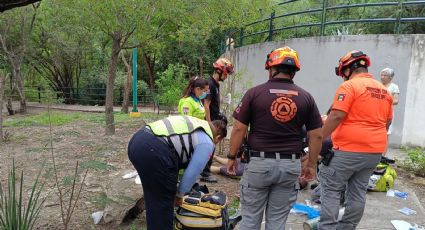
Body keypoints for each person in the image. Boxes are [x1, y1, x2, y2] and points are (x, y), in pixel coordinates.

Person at [226, 46, 323, 230]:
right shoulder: (306, 97)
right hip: (289, 166)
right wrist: (311, 165)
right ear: (293, 72)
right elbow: (317, 135)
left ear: (271, 68)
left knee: (250, 220)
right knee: (277, 222)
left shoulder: (254, 93)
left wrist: (232, 157)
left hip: (259, 165)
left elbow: (239, 128)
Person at [319, 51, 393, 230]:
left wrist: (319, 137)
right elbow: (388, 121)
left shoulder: (349, 86)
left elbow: (336, 115)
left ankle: (327, 227)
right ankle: (347, 227)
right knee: (358, 191)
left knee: (331, 189)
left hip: (347, 150)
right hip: (374, 151)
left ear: (347, 69)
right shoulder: (384, 90)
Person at [127, 115, 227, 229]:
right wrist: (179, 195)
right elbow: (192, 172)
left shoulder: (197, 123)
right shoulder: (207, 142)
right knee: (164, 202)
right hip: (154, 149)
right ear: (218, 137)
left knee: (154, 196)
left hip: (137, 142)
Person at [201, 57, 235, 182]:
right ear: (220, 71)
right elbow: (206, 104)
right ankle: (205, 173)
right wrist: (209, 124)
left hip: (215, 119)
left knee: (211, 147)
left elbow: (213, 104)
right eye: (226, 73)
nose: (226, 76)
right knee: (209, 147)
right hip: (211, 123)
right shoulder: (210, 84)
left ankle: (206, 170)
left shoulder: (215, 84)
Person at [380, 68, 400, 153]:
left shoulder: (394, 87)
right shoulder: (378, 85)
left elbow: (396, 101)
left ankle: (383, 155)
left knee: (385, 134)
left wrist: (385, 100)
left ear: (390, 77)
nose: (382, 77)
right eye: (382, 75)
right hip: (377, 112)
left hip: (388, 113)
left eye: (385, 75)